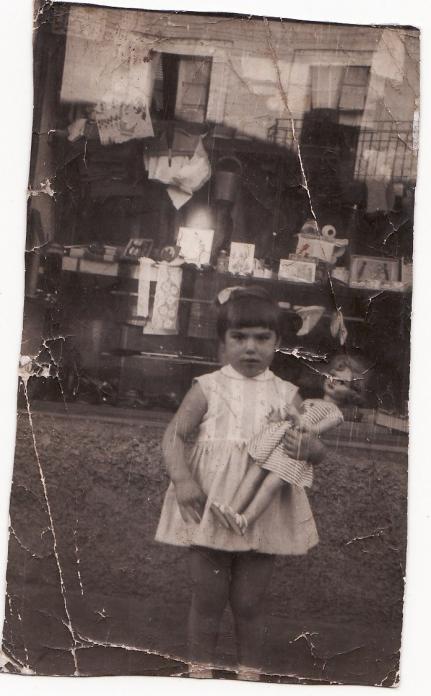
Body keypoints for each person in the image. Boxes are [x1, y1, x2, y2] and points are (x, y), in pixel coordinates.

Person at [155, 286, 325, 680]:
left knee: (250, 602)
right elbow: (174, 436)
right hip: (209, 506)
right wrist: (182, 480)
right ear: (223, 342)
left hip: (263, 513)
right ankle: (200, 674)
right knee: (207, 598)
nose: (251, 348)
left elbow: (313, 449)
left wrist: (310, 447)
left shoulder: (287, 394)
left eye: (262, 338)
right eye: (239, 337)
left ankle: (250, 676)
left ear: (277, 341)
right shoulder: (208, 387)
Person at [211, 354, 366, 535]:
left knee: (270, 485)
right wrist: (279, 418)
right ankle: (231, 509)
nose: (333, 381)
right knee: (255, 471)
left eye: (342, 383)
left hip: (295, 455)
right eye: (332, 375)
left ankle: (245, 520)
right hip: (280, 444)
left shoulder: (335, 414)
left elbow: (314, 430)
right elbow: (293, 420)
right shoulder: (310, 401)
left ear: (351, 393)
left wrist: (296, 417)